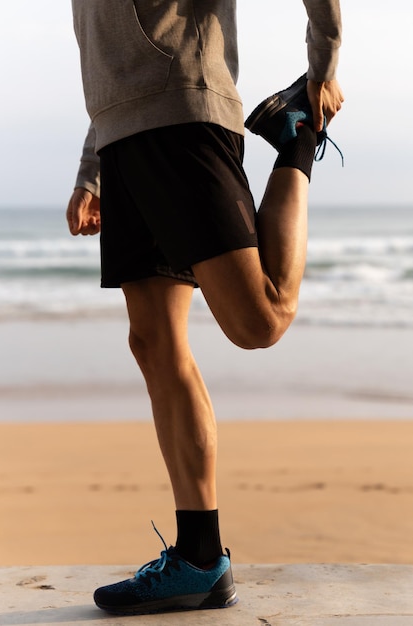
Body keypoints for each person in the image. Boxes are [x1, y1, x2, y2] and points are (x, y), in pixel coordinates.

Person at [66, 0, 344, 615]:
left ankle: (299, 133)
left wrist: (323, 58)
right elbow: (108, 51)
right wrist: (93, 171)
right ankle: (198, 557)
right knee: (153, 342)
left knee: (260, 320)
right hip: (123, 139)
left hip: (185, 113)